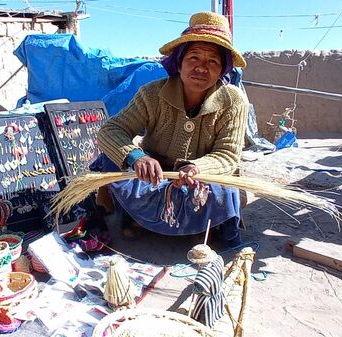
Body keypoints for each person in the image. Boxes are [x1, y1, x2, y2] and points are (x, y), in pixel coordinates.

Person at [93, 11, 248, 247]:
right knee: (110, 160)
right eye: (193, 58)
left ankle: (207, 227)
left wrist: (197, 168)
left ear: (222, 69)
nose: (201, 68)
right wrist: (136, 157)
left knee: (225, 185)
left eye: (213, 61)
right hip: (155, 177)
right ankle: (139, 217)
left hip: (200, 177)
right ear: (180, 61)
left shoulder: (233, 101)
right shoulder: (152, 94)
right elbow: (110, 131)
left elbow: (228, 155)